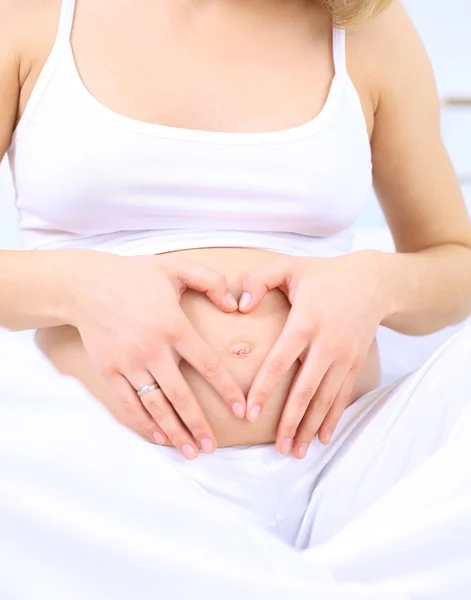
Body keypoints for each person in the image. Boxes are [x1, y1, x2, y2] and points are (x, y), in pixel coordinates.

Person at [0, 0, 470, 598]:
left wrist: (376, 284)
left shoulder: (365, 24)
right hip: (116, 482)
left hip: (352, 468)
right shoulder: (29, 16)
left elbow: (457, 261)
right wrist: (75, 287)